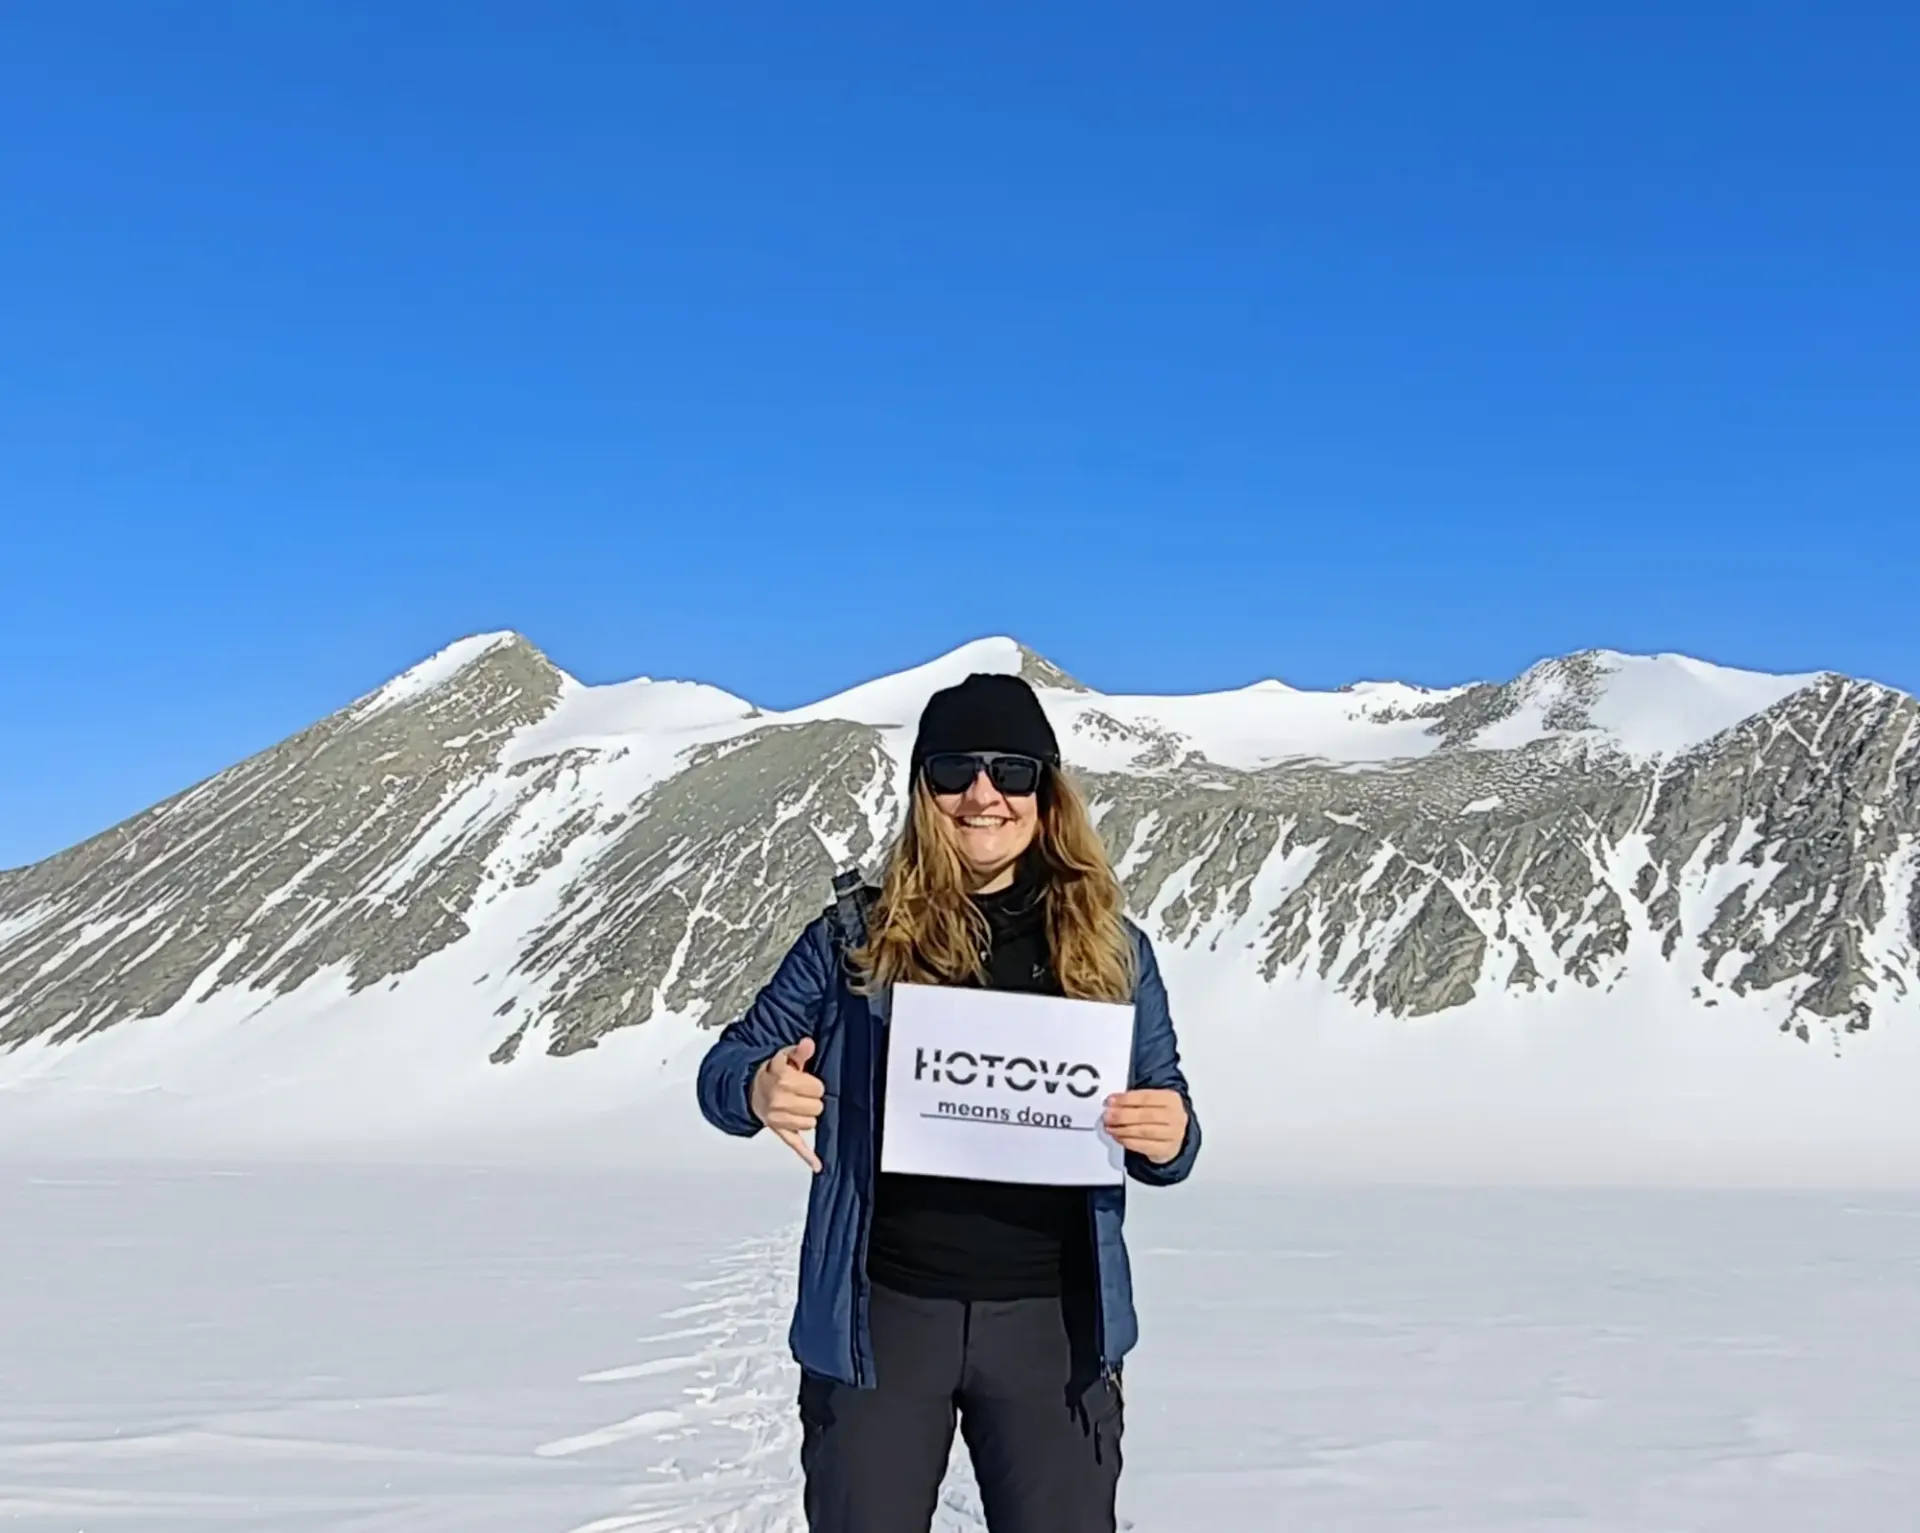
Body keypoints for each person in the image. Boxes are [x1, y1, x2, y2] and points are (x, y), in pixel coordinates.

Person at [696, 671, 1200, 1533]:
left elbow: (1171, 1118)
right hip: (883, 1320)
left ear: (1046, 792)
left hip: (1052, 1326)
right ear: (923, 789)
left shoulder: (1113, 949)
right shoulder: (855, 934)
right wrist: (758, 1085)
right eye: (954, 769)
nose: (982, 794)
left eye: (1010, 770)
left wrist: (1169, 1132)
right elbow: (726, 1065)